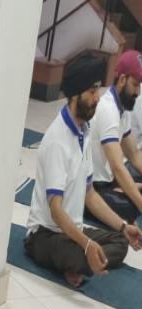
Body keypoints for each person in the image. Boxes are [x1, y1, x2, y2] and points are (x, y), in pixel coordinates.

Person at [25, 54, 142, 288]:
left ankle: (78, 262)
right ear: (75, 94)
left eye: (97, 90)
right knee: (84, 253)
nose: (97, 97)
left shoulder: (84, 130)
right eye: (91, 91)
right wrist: (86, 244)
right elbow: (56, 211)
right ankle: (77, 261)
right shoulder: (58, 140)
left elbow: (90, 194)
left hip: (71, 231)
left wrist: (123, 226)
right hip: (45, 235)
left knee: (120, 242)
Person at [89, 50, 142, 224]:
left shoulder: (122, 109)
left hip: (108, 181)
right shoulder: (108, 110)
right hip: (92, 189)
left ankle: (121, 190)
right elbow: (117, 167)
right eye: (135, 84)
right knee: (132, 207)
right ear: (122, 80)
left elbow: (134, 155)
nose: (138, 91)